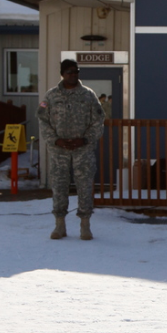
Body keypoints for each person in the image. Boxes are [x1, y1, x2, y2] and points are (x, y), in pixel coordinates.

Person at [37, 59, 104, 240]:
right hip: (59, 151)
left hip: (83, 150)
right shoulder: (50, 96)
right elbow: (43, 121)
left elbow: (98, 122)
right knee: (59, 186)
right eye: (69, 72)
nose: (73, 75)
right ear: (62, 74)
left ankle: (85, 225)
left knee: (84, 186)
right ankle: (60, 225)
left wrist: (84, 139)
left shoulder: (88, 95)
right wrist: (56, 140)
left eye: (76, 72)